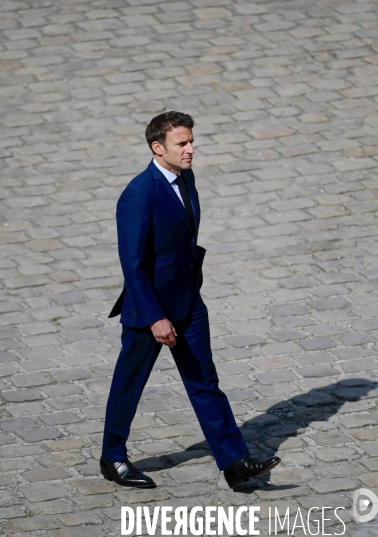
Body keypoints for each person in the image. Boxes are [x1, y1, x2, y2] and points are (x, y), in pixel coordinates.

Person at [100, 111, 280, 490]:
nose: (191, 149)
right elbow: (132, 266)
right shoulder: (138, 195)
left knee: (205, 381)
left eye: (191, 141)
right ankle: (112, 457)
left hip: (188, 304)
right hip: (148, 311)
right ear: (157, 147)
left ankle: (235, 463)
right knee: (128, 385)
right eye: (182, 143)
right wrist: (155, 318)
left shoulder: (186, 178)